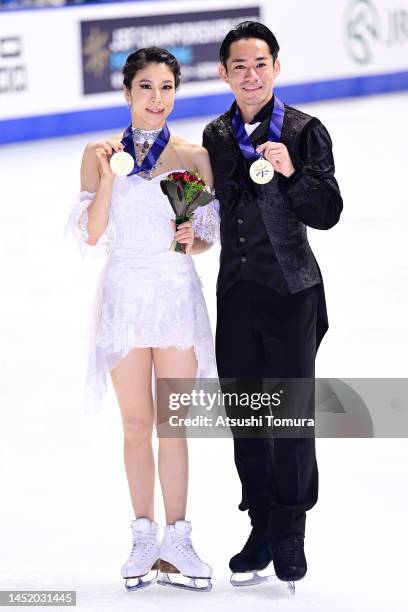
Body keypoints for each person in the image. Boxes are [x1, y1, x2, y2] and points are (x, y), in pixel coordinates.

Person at [65, 47, 219, 592]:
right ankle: (143, 536)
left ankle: (179, 537)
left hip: (174, 294)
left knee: (173, 422)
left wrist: (190, 239)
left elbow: (201, 239)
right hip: (125, 295)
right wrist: (108, 178)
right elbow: (90, 233)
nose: (158, 98)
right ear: (128, 92)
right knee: (135, 421)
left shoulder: (193, 157)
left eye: (167, 87)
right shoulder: (98, 152)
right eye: (147, 87)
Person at [202, 21, 343, 591]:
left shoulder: (307, 132)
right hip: (236, 295)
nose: (251, 75)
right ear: (224, 74)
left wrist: (290, 174)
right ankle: (260, 523)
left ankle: (290, 530)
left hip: (291, 294)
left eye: (260, 64)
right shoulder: (216, 133)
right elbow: (210, 208)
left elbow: (328, 210)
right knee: (247, 419)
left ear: (276, 67)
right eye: (239, 67)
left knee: (288, 417)